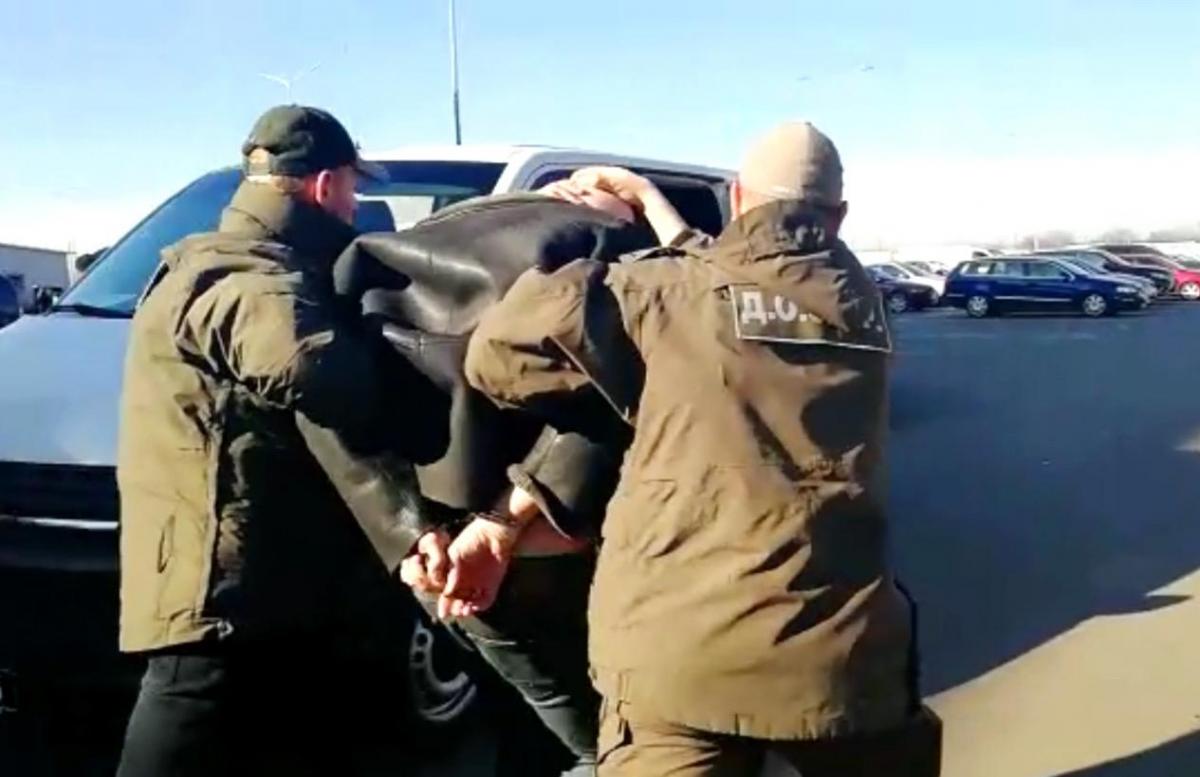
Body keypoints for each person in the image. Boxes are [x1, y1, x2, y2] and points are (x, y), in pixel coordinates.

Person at [456, 122, 942, 776]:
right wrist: (651, 201)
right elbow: (742, 284)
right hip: (847, 658)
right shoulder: (862, 303)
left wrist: (596, 230)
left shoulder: (653, 294)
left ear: (737, 197)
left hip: (682, 656)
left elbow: (494, 359)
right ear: (841, 216)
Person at [115, 105, 449, 777]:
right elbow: (313, 369)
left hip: (260, 592)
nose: (356, 207)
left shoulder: (224, 262)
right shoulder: (244, 272)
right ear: (325, 186)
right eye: (353, 189)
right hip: (220, 601)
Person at [338, 178, 660, 776]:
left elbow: (329, 404)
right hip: (539, 545)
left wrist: (409, 531)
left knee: (513, 724)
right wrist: (501, 524)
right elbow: (618, 402)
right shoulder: (609, 249)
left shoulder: (380, 255)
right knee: (603, 740)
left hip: (438, 559)